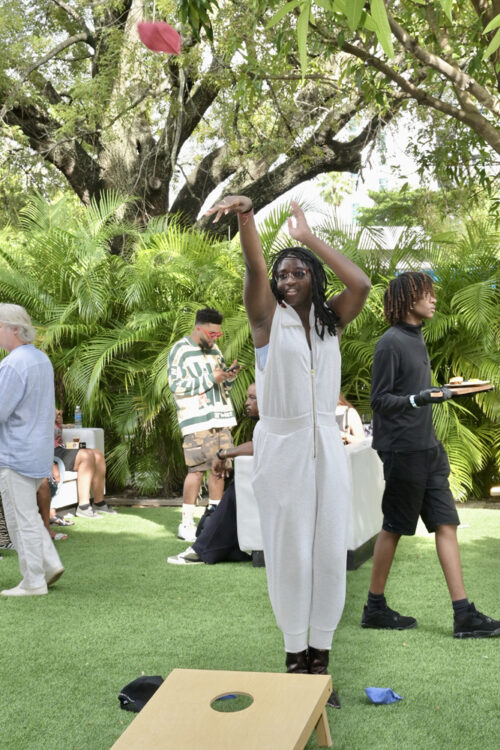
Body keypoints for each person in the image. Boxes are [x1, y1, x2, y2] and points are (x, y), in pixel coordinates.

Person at [207, 196, 370, 707]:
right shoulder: (264, 322)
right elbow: (255, 265)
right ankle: (294, 658)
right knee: (290, 553)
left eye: (299, 272)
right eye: (285, 274)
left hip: (327, 445)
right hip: (283, 446)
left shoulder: (329, 322)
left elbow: (361, 284)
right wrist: (247, 217)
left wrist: (308, 238)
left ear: (313, 279)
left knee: (328, 552)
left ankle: (320, 663)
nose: (289, 279)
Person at [361, 272, 500, 638]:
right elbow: (379, 400)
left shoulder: (416, 336)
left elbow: (421, 392)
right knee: (394, 526)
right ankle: (374, 607)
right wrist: (418, 398)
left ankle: (463, 614)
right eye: (428, 294)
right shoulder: (390, 342)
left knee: (446, 522)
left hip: (428, 446)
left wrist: (442, 391)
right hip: (402, 449)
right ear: (409, 300)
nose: (434, 299)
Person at [0, 303, 64, 596]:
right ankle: (48, 564)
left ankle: (33, 581)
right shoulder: (41, 359)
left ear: (13, 329)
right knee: (28, 515)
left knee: (19, 517)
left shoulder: (12, 364)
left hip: (14, 452)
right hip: (36, 450)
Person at [168, 307, 241, 543]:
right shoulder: (179, 350)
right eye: (211, 334)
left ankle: (214, 521)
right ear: (199, 329)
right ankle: (186, 523)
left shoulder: (215, 350)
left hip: (222, 417)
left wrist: (229, 377)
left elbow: (221, 386)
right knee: (197, 470)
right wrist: (212, 378)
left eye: (218, 335)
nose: (215, 338)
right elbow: (176, 386)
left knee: (220, 469)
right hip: (196, 420)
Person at [167, 383, 258, 566]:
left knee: (240, 487)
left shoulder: (275, 423)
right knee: (240, 485)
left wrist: (223, 453)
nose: (247, 403)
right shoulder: (267, 424)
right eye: (247, 397)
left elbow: (260, 445)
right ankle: (229, 547)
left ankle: (202, 549)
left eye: (253, 398)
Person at [54, 409, 115, 518]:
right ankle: (83, 507)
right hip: (49, 452)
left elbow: (58, 428)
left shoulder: (50, 409)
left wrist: (58, 419)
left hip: (60, 448)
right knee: (85, 456)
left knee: (97, 455)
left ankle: (99, 503)